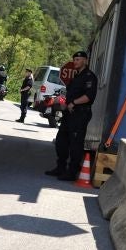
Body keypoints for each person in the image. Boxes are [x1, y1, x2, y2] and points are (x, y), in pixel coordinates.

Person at [46, 50, 98, 181]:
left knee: (76, 144)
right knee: (61, 141)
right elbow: (69, 95)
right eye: (74, 60)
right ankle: (60, 167)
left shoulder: (90, 77)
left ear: (85, 61)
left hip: (81, 114)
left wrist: (74, 103)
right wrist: (63, 101)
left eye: (78, 60)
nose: (76, 62)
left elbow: (89, 96)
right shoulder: (75, 77)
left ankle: (72, 172)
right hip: (69, 114)